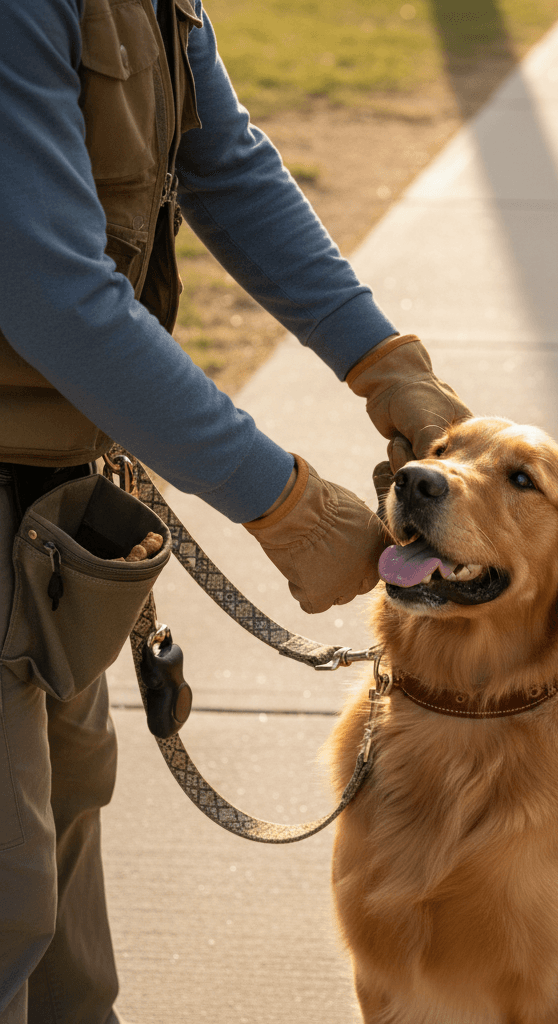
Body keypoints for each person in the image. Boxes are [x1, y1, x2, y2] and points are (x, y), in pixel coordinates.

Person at [0, 0, 471, 1018]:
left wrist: (386, 363)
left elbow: (227, 165)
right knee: (8, 895)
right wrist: (287, 507)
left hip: (47, 504)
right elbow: (50, 291)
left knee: (65, 832)